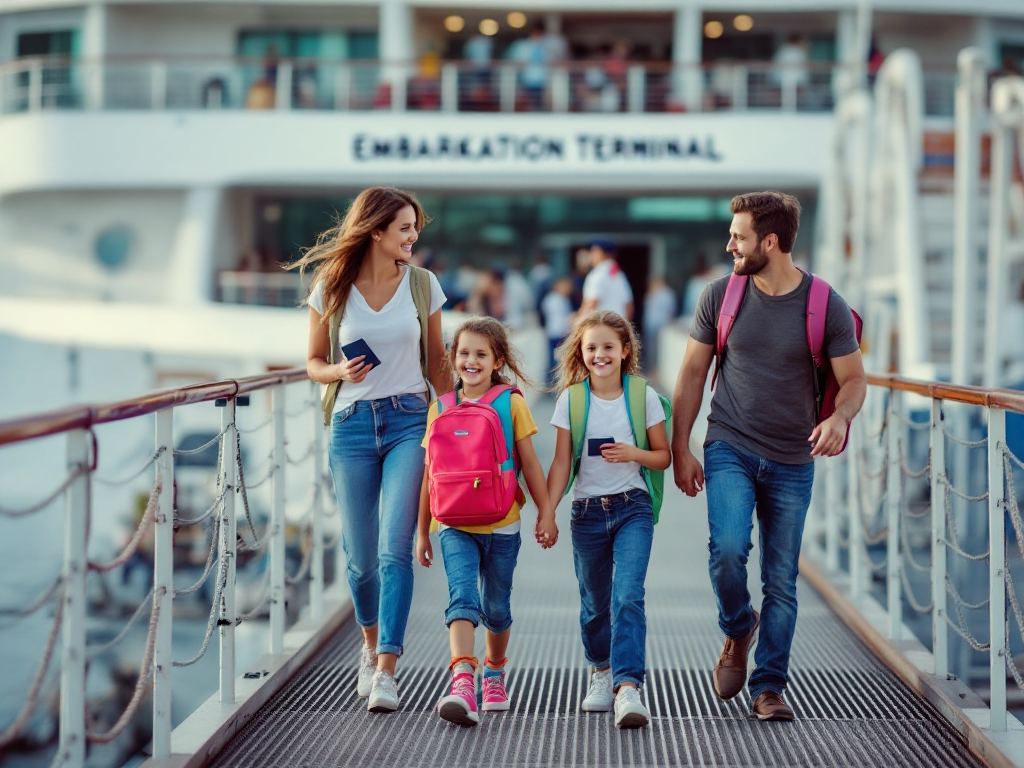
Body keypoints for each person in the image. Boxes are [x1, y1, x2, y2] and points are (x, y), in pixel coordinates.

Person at [670, 191, 866, 721]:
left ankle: (770, 686)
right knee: (728, 550)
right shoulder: (720, 296)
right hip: (729, 443)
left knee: (781, 579)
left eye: (739, 236)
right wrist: (680, 448)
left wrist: (839, 417)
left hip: (792, 459)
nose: (729, 243)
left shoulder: (826, 305)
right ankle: (738, 628)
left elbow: (852, 380)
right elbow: (690, 373)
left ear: (771, 242)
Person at [295, 186, 451, 713]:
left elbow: (438, 364)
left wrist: (459, 418)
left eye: (416, 228)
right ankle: (368, 645)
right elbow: (313, 362)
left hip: (410, 421)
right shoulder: (332, 287)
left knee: (393, 549)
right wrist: (338, 371)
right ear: (377, 231)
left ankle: (387, 668)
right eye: (405, 228)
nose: (413, 237)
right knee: (360, 561)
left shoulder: (424, 286)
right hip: (352, 426)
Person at [416, 317, 558, 726]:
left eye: (481, 354)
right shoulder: (439, 408)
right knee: (462, 598)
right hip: (454, 524)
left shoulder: (510, 402)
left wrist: (545, 513)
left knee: (496, 608)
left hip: (502, 523)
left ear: (497, 360)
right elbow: (431, 475)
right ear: (453, 358)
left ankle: (494, 671)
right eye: (463, 353)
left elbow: (530, 464)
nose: (471, 361)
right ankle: (463, 678)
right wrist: (422, 531)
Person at [546, 310, 671, 729]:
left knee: (628, 596)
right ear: (581, 354)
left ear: (625, 351)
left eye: (608, 347)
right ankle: (601, 672)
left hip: (632, 506)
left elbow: (663, 456)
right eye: (591, 347)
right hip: (586, 513)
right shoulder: (572, 400)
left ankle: (628, 685)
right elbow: (563, 462)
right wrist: (548, 511)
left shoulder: (642, 395)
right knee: (595, 605)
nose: (600, 354)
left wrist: (633, 453)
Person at [580, 239, 633, 320]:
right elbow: (629, 307)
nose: (590, 254)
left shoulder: (597, 274)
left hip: (600, 327)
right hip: (617, 327)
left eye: (594, 251)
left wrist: (579, 325)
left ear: (602, 253)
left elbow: (591, 305)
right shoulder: (620, 275)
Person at [541, 276, 574, 383]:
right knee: (553, 359)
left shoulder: (563, 299)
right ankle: (550, 382)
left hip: (561, 333)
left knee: (558, 358)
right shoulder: (553, 299)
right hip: (556, 333)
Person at [508, 24, 549, 110]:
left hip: (541, 79)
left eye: (540, 34)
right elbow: (515, 59)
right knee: (528, 99)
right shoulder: (523, 46)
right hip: (527, 77)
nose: (538, 36)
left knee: (539, 100)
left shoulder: (545, 46)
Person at [642, 277, 677, 374]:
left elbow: (669, 310)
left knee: (657, 349)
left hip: (660, 325)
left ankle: (656, 370)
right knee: (651, 348)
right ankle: (653, 369)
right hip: (651, 325)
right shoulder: (653, 293)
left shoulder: (666, 293)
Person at [772, 34, 809, 101]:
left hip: (787, 78)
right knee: (785, 95)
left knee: (791, 96)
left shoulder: (784, 50)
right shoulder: (790, 50)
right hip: (785, 77)